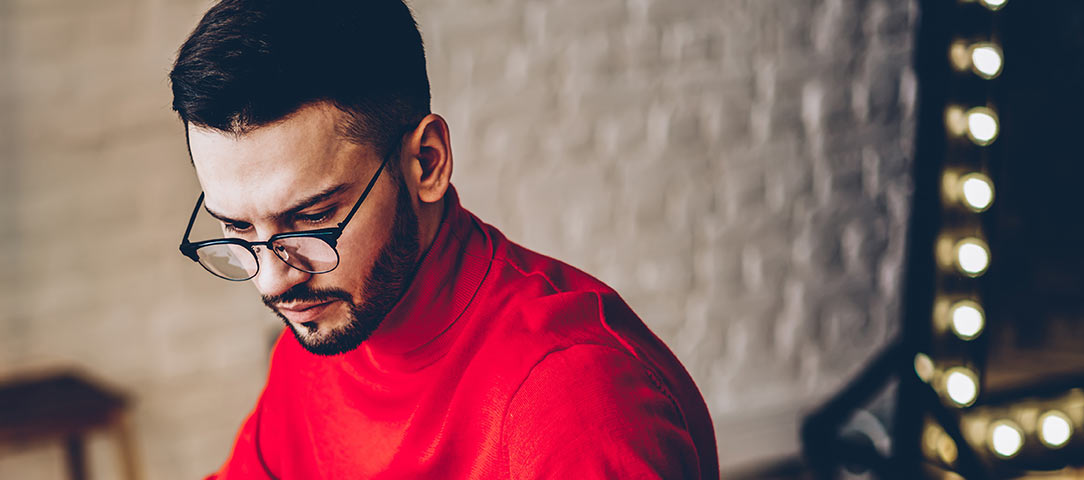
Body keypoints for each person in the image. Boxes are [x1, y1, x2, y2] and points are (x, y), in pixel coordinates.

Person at [168, 0, 719, 477]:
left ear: (426, 162)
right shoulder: (320, 330)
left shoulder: (575, 398)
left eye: (312, 219)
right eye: (237, 227)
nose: (274, 280)